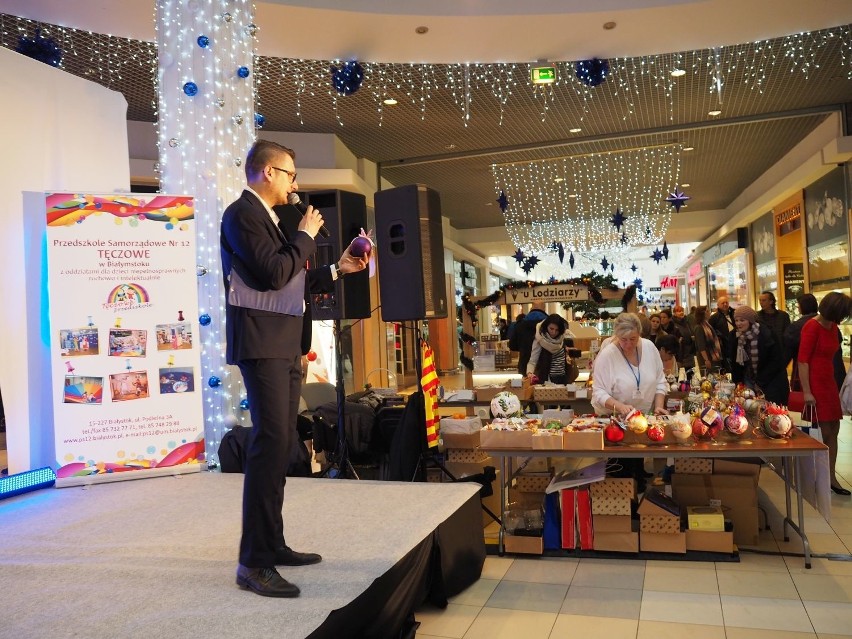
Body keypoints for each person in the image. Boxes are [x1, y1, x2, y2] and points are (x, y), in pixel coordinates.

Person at [220, 139, 367, 598]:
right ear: (267, 172)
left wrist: (339, 269)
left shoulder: (267, 219)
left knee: (282, 444)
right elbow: (272, 273)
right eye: (290, 174)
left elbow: (292, 280)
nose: (295, 183)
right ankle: (253, 562)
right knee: (269, 445)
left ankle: (273, 543)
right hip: (262, 343)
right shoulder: (240, 214)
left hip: (285, 342)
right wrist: (304, 233)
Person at [592, 313, 669, 490]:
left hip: (642, 420)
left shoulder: (650, 348)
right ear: (616, 336)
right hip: (615, 424)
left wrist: (658, 406)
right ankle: (623, 511)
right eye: (623, 339)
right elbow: (598, 392)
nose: (628, 344)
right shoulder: (607, 355)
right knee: (621, 475)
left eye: (633, 339)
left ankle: (638, 505)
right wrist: (619, 406)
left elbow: (660, 381)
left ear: (640, 334)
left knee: (637, 471)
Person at [796, 291, 852, 495]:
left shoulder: (832, 326)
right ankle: (818, 475)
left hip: (829, 381)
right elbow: (803, 360)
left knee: (834, 430)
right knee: (822, 431)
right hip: (815, 382)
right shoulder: (812, 326)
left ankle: (830, 477)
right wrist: (807, 391)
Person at [730, 305, 789, 406]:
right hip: (748, 379)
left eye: (742, 320)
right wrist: (738, 382)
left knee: (769, 411)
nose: (738, 323)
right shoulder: (736, 336)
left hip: (769, 380)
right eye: (736, 320)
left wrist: (760, 381)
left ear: (750, 320)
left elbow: (776, 360)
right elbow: (735, 362)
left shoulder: (766, 333)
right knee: (749, 409)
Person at [526, 314, 574, 383]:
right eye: (551, 328)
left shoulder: (562, 337)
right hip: (547, 380)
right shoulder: (540, 340)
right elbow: (533, 361)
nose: (554, 332)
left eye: (557, 330)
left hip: (563, 379)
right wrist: (529, 373)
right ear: (546, 326)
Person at [509, 301, 548, 375]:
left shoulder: (520, 324)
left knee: (528, 385)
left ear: (531, 308)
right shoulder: (550, 324)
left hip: (525, 365)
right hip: (546, 365)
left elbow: (512, 346)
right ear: (544, 308)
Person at [692, 305, 723, 375]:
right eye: (707, 311)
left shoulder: (707, 325)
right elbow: (701, 346)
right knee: (707, 378)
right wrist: (706, 360)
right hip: (706, 357)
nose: (709, 312)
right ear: (702, 314)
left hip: (712, 355)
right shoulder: (699, 327)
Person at [708, 296, 736, 371]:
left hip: (735, 342)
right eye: (722, 303)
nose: (725, 304)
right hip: (723, 345)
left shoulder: (734, 314)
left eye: (726, 302)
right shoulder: (714, 318)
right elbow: (711, 332)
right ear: (718, 305)